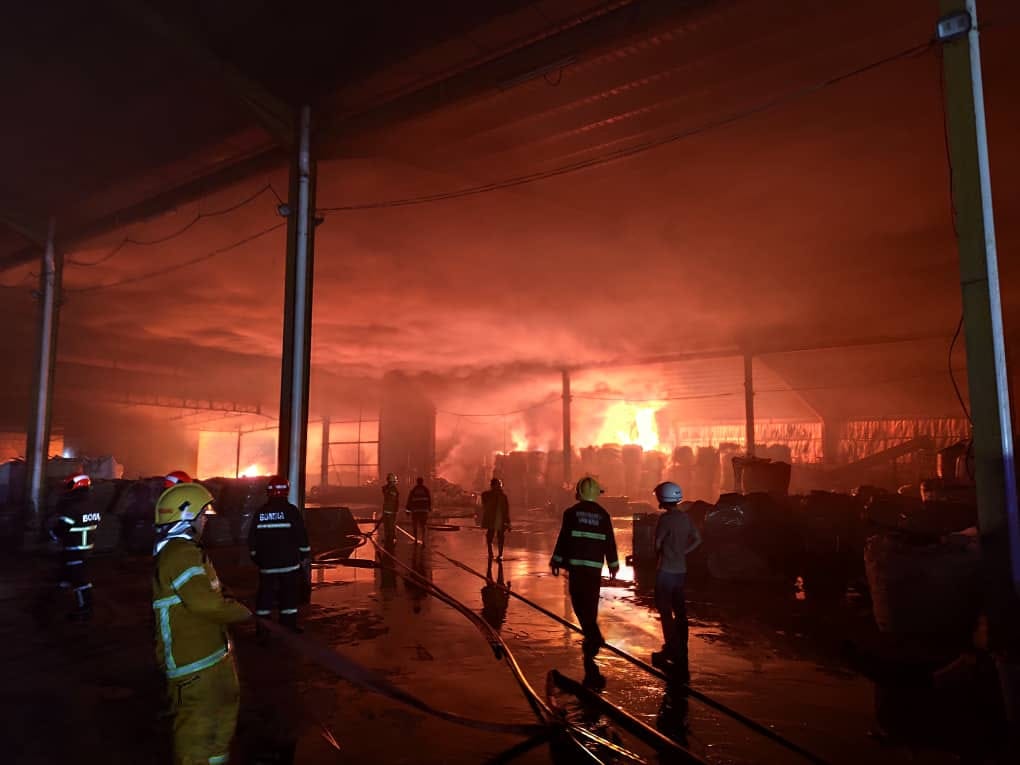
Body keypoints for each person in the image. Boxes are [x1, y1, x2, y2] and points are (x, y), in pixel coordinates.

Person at [153, 482, 251, 765]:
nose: (205, 519)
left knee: (220, 724)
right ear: (186, 517)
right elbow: (204, 604)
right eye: (202, 514)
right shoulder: (179, 554)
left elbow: (205, 593)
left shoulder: (189, 553)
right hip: (192, 663)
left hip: (212, 657)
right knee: (197, 734)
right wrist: (240, 612)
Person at [550, 476, 619, 690]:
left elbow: (564, 538)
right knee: (590, 601)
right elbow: (610, 541)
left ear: (579, 493)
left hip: (576, 566)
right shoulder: (603, 515)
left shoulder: (570, 513)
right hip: (594, 567)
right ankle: (591, 635)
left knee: (578, 603)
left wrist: (557, 560)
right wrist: (614, 564)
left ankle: (592, 634)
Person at [650, 481, 701, 679]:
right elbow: (698, 539)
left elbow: (657, 543)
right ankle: (682, 646)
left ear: (662, 498)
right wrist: (683, 552)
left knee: (665, 610)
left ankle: (671, 648)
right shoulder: (686, 518)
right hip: (681, 570)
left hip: (665, 571)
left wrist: (660, 555)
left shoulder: (665, 520)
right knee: (680, 611)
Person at [248, 475, 311, 635]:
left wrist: (256, 557)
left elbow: (252, 538)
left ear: (268, 492)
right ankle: (288, 626)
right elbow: (301, 535)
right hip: (289, 564)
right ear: (286, 492)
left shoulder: (261, 513)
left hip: (267, 564)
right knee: (288, 595)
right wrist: (305, 554)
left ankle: (262, 630)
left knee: (265, 595)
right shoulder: (291, 511)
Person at [50, 473, 98, 621]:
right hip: (85, 548)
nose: (67, 488)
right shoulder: (91, 504)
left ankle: (85, 609)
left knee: (79, 580)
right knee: (66, 573)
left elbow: (62, 528)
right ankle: (58, 596)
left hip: (74, 547)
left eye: (69, 485)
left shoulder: (73, 506)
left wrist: (52, 535)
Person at [481, 477, 511, 560]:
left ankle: (500, 554)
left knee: (500, 537)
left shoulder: (503, 496)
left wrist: (508, 522)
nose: (499, 487)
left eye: (499, 485)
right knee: (490, 536)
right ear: (493, 486)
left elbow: (506, 509)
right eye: (497, 485)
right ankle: (490, 552)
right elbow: (484, 500)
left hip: (500, 519)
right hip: (492, 519)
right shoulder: (488, 495)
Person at [406, 477, 432, 543]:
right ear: (422, 482)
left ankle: (415, 539)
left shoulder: (414, 490)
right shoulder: (426, 490)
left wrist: (407, 510)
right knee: (423, 525)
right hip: (424, 511)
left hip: (415, 511)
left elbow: (409, 500)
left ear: (417, 482)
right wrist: (429, 508)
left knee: (415, 525)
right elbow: (429, 500)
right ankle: (423, 540)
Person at [380, 472, 399, 546]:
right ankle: (389, 538)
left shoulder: (392, 489)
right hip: (388, 510)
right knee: (388, 526)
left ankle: (391, 539)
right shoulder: (391, 489)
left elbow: (394, 500)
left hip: (390, 510)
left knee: (390, 526)